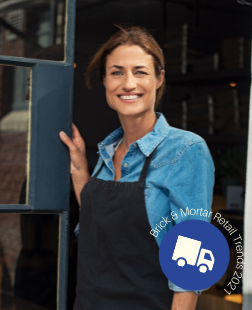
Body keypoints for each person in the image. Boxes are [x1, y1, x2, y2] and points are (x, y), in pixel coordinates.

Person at [59, 26, 214, 310]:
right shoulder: (107, 150)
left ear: (159, 78)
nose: (128, 83)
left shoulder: (186, 150)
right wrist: (80, 169)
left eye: (140, 72)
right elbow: (103, 224)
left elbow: (192, 262)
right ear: (105, 81)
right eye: (117, 72)